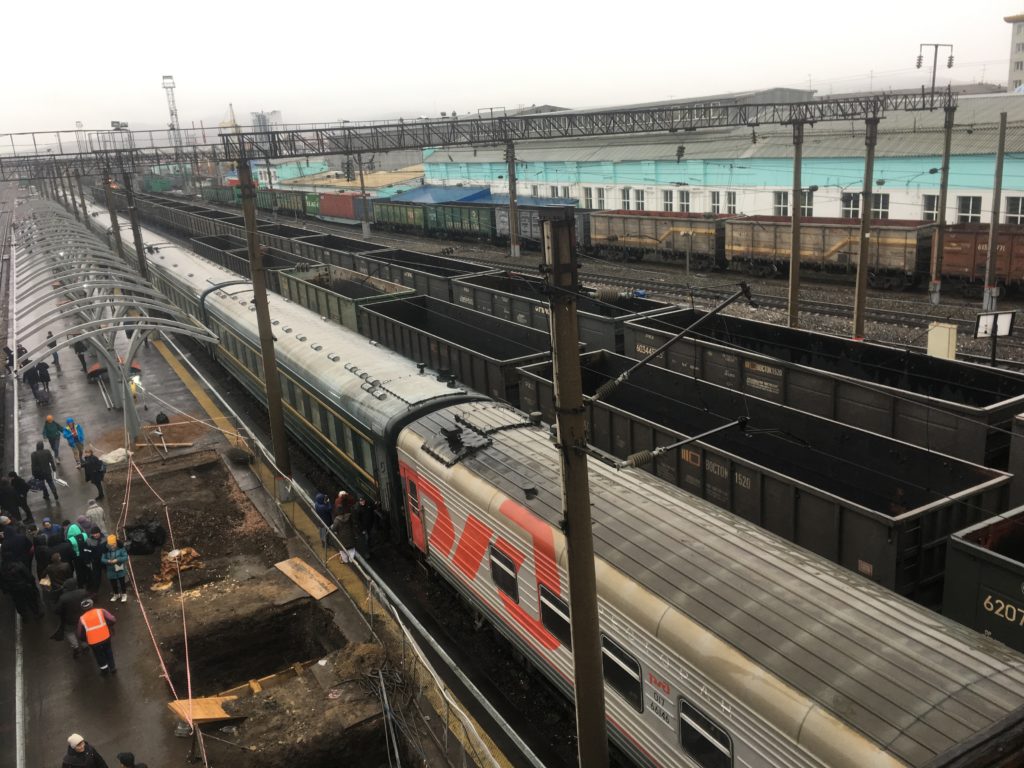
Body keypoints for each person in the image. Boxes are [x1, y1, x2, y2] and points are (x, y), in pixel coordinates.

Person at [77, 598, 117, 674]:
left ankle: (104, 670)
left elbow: (80, 634)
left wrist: (84, 639)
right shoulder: (101, 611)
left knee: (98, 655)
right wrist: (108, 625)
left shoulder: (82, 619)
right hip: (105, 636)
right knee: (108, 651)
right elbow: (112, 620)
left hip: (93, 642)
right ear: (92, 605)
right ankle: (112, 668)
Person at [54, 580, 88, 656]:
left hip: (69, 620)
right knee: (83, 631)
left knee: (70, 633)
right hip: (83, 618)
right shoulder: (83, 592)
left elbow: (57, 610)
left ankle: (75, 647)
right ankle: (85, 645)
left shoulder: (63, 598)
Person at [101, 535, 128, 602]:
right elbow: (102, 559)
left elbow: (125, 557)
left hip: (120, 568)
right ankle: (116, 594)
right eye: (110, 545)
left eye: (113, 545)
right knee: (113, 583)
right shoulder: (105, 550)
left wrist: (118, 560)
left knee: (122, 582)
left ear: (116, 543)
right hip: (110, 570)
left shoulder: (121, 548)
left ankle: (124, 594)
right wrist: (108, 561)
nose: (112, 546)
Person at [64, 518, 88, 588]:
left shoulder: (70, 540)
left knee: (79, 571)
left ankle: (81, 584)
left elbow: (70, 551)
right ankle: (88, 581)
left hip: (77, 557)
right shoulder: (84, 534)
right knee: (86, 568)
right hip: (85, 554)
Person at [82, 526, 106, 594]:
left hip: (105, 560)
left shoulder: (105, 538)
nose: (95, 535)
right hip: (95, 561)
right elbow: (86, 552)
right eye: (93, 534)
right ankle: (95, 590)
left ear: (99, 532)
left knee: (110, 574)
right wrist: (87, 561)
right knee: (96, 576)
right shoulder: (88, 540)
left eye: (96, 533)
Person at [356, 495, 377, 560]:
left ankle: (370, 550)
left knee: (370, 538)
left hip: (370, 525)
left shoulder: (368, 505)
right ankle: (367, 553)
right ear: (359, 501)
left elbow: (373, 508)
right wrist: (362, 529)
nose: (362, 502)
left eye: (363, 500)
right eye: (361, 501)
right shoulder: (358, 509)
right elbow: (357, 520)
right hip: (364, 527)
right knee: (366, 540)